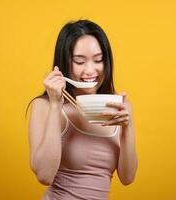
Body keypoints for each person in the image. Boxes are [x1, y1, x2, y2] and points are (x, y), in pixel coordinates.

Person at [26, 19, 138, 200]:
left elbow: (128, 177)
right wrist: (56, 103)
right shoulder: (44, 106)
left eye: (98, 60)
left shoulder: (118, 105)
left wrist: (128, 126)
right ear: (64, 63)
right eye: (79, 61)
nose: (90, 70)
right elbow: (44, 175)